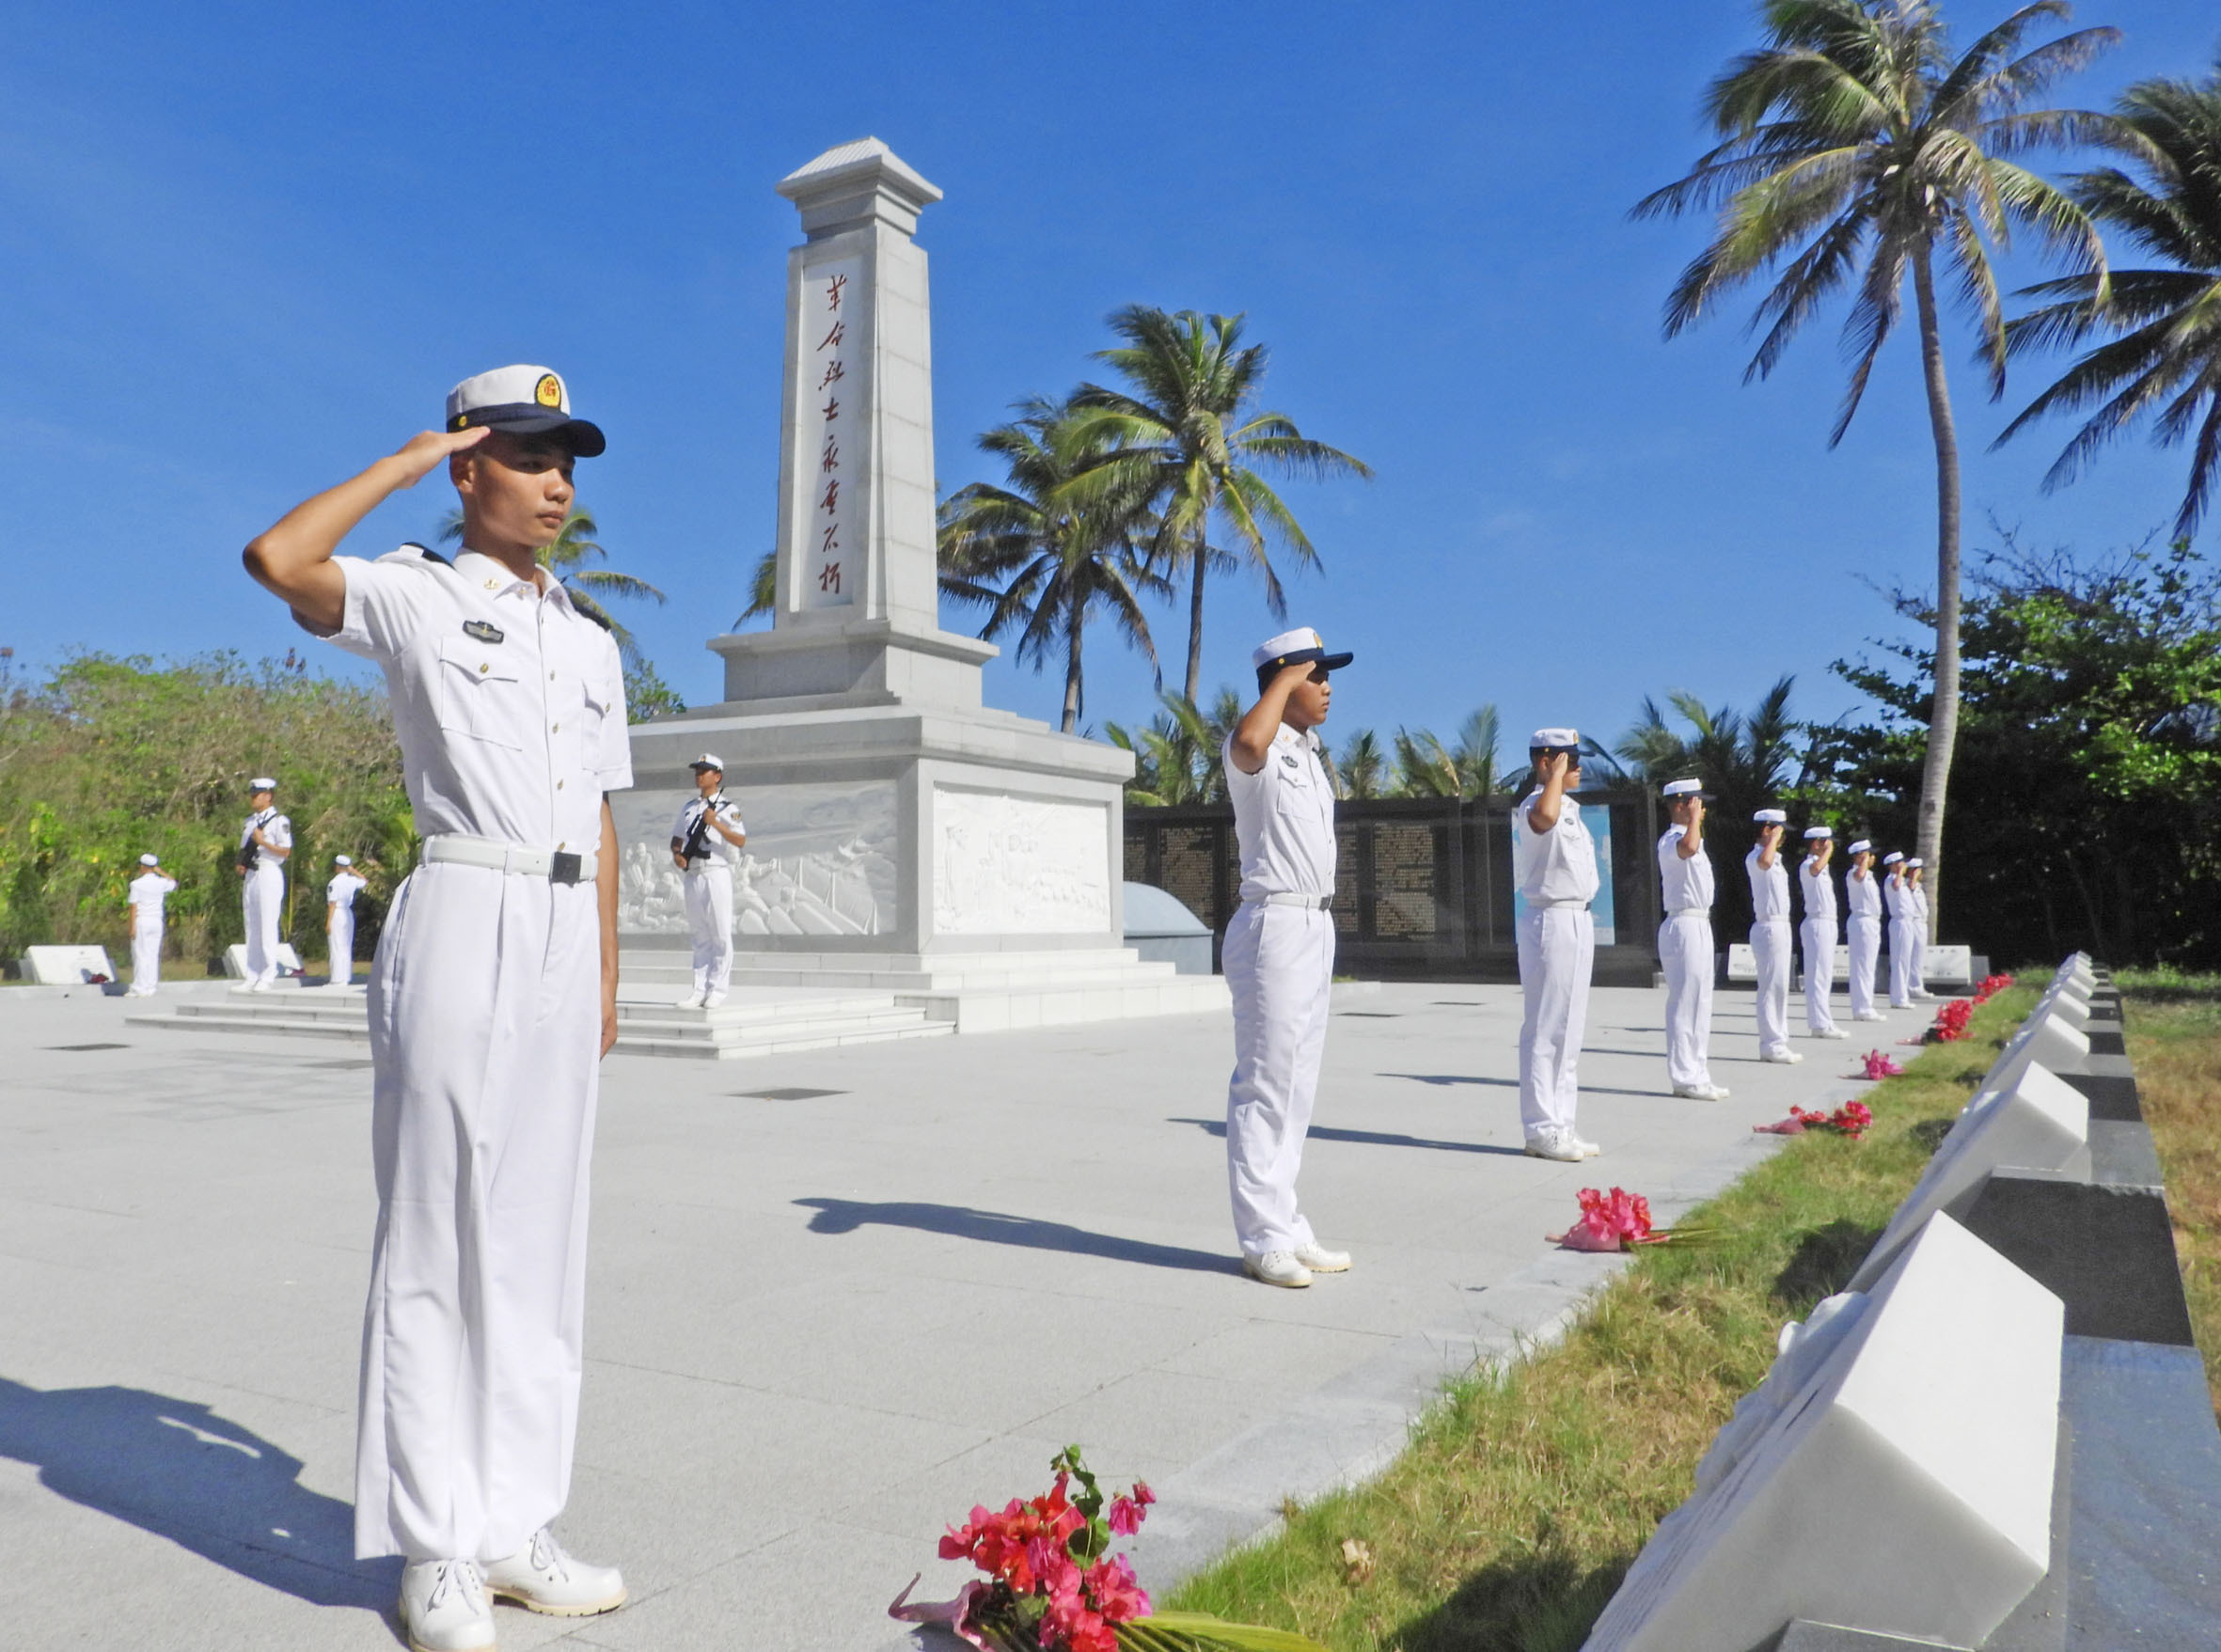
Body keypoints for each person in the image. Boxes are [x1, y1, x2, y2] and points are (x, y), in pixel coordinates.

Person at [242, 364, 631, 1652]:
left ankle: (517, 1524)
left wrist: (608, 978)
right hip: (463, 910)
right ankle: (437, 1546)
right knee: (437, 1232)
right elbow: (278, 556)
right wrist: (404, 460)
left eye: (566, 456)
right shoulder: (413, 593)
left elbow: (605, 817)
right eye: (527, 455)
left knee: (536, 1242)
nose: (557, 480)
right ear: (472, 467)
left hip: (564, 933)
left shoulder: (589, 638)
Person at [1221, 626, 1356, 1288]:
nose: (1328, 687)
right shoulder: (1259, 744)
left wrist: (1295, 673)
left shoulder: (1308, 749)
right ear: (1285, 677)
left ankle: (1287, 1221)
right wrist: (1281, 677)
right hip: (1272, 922)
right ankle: (1261, 1237)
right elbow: (1248, 742)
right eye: (1317, 675)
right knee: (1265, 1083)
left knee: (1298, 1088)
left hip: (1314, 924)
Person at [1513, 730, 1601, 1161]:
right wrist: (1554, 775)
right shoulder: (1536, 803)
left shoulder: (1571, 809)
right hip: (1549, 917)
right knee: (1546, 1028)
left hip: (1577, 917)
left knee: (1570, 1028)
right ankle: (1541, 1127)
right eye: (1568, 758)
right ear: (1546, 761)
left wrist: (1559, 773)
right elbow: (1542, 820)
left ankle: (1562, 1123)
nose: (1577, 766)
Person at [1657, 779, 1727, 1101]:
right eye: (1697, 802)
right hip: (1682, 923)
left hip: (1699, 922)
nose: (1703, 808)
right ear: (1682, 804)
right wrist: (1694, 821)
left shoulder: (1692, 838)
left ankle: (1698, 1072)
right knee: (1685, 1002)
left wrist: (1696, 823)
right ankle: (1684, 1076)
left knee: (1701, 1002)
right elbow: (1687, 848)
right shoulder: (1672, 839)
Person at [669, 755, 748, 1009]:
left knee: (720, 933)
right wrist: (678, 856)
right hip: (693, 874)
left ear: (718, 776)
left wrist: (716, 824)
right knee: (700, 934)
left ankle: (718, 989)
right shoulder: (690, 807)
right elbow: (677, 838)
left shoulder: (727, 808)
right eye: (697, 771)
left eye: (705, 771)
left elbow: (739, 840)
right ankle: (699, 988)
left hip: (716, 871)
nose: (699, 775)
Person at [1746, 809, 1802, 1064]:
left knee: (1780, 986)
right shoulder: (1756, 856)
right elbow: (1764, 862)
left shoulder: (1775, 858)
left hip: (1781, 925)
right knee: (1770, 986)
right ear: (1767, 830)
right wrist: (1771, 838)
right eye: (1779, 832)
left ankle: (1779, 1040)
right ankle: (1771, 1043)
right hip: (1768, 926)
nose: (1782, 839)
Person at [237, 778, 292, 991]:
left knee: (268, 925)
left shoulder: (279, 821)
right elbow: (244, 848)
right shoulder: (250, 821)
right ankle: (252, 974)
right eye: (251, 794)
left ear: (268, 795)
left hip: (269, 871)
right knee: (251, 925)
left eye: (257, 794)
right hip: (251, 873)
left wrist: (263, 842)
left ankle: (268, 974)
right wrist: (240, 864)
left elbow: (285, 851)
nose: (253, 798)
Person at [1798, 826, 1847, 1040]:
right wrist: (1827, 852)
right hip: (1816, 923)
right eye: (1825, 842)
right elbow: (1815, 869)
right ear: (1816, 843)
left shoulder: (1822, 868)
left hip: (1827, 922)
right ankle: (1819, 1023)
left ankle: (1824, 1020)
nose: (1830, 846)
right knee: (1817, 974)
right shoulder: (1808, 864)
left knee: (1825, 974)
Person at [1843, 840, 1884, 1021]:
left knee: (1868, 966)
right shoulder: (1855, 873)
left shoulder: (1868, 875)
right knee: (1862, 967)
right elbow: (1859, 875)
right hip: (1862, 922)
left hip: (1871, 922)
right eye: (1869, 854)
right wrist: (1862, 862)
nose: (1872, 858)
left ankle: (1865, 1005)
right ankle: (1862, 1007)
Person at [125, 853, 178, 997]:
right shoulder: (161, 882)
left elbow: (133, 907)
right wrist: (161, 872)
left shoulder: (136, 884)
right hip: (157, 921)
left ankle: (139, 987)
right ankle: (150, 987)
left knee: (140, 954)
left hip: (142, 920)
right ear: (153, 868)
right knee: (153, 955)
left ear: (142, 867)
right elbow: (174, 883)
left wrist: (131, 927)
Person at [327, 856, 370, 986]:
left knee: (336, 946)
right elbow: (364, 881)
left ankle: (336, 979)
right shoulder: (351, 880)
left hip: (337, 913)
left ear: (338, 866)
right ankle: (345, 977)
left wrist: (328, 922)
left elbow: (332, 904)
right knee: (345, 946)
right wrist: (353, 871)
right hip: (348, 913)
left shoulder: (334, 882)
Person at [1882, 851, 1914, 1008]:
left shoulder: (1901, 881)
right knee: (1899, 960)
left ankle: (1902, 995)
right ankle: (1898, 998)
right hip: (1899, 922)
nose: (1904, 866)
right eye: (1900, 863)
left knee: (1905, 960)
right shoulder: (1891, 880)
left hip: (1908, 922)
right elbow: (1896, 886)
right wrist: (1900, 871)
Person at [1905, 858, 1933, 998]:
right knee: (1914, 956)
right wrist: (1914, 876)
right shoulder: (1909, 885)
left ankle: (1915, 985)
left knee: (1919, 956)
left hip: (1921, 923)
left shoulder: (1918, 887)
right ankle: (1914, 986)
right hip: (1914, 923)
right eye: (1919, 870)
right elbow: (1911, 886)